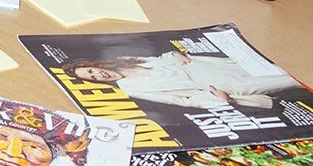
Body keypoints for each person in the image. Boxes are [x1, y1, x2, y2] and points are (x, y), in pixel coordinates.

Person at [59, 51, 296, 111]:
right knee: (292, 79)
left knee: (286, 63)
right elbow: (181, 99)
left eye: (92, 70)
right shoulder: (130, 88)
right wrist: (219, 100)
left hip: (211, 66)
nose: (97, 76)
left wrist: (175, 54)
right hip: (220, 87)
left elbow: (161, 58)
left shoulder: (125, 60)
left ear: (97, 65)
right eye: (91, 78)